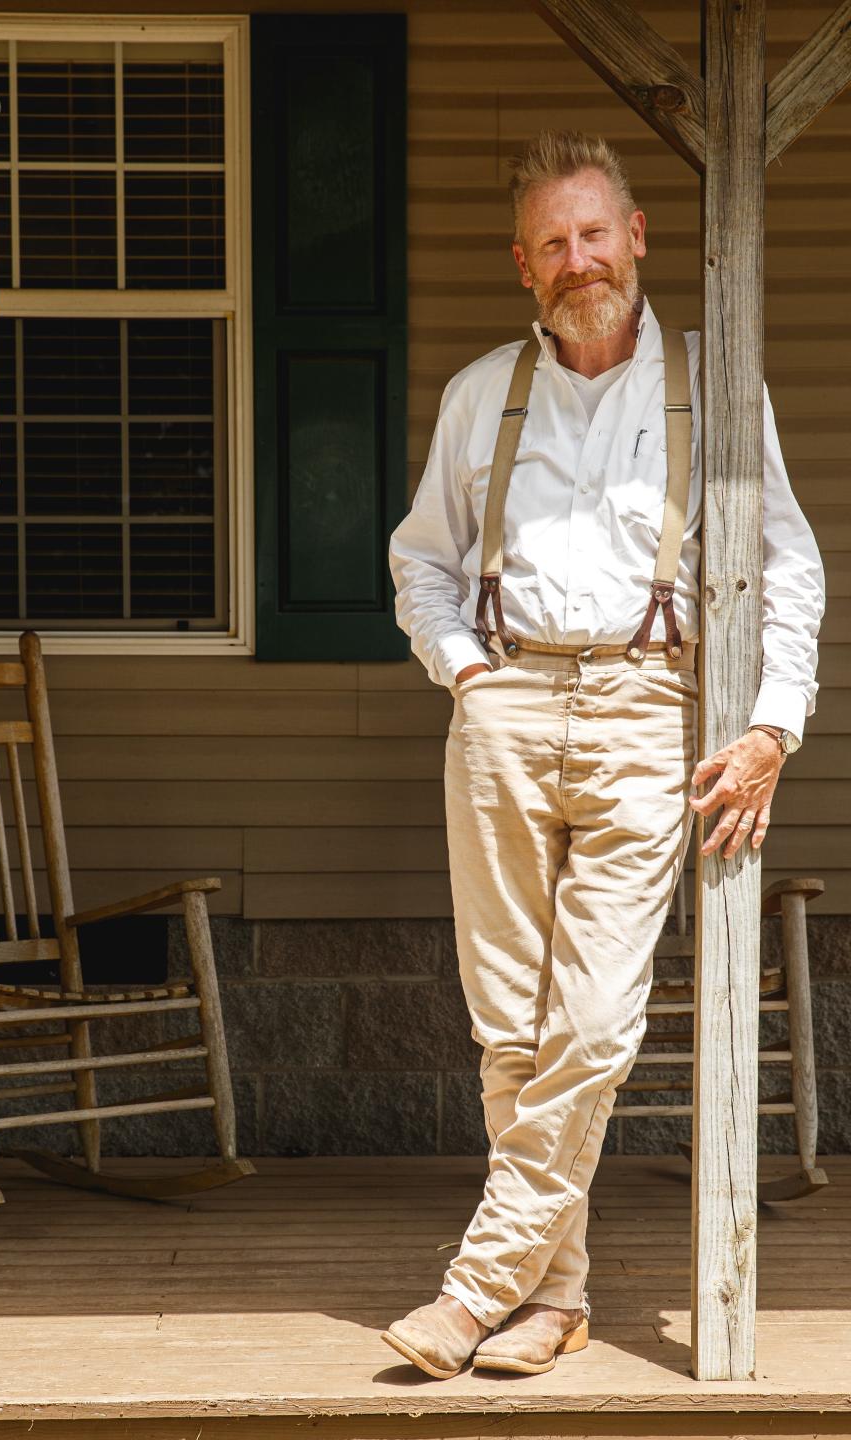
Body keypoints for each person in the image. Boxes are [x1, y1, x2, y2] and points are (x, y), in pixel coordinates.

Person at [381, 130, 825, 1381]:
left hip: (648, 712)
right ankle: (552, 1296)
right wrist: (465, 671)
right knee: (509, 1029)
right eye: (554, 243)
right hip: (504, 704)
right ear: (524, 265)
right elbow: (421, 559)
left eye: (598, 233)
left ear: (637, 239)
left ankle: (476, 1286)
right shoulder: (481, 395)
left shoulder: (713, 383)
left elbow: (786, 567)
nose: (581, 260)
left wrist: (773, 724)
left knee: (593, 1018)